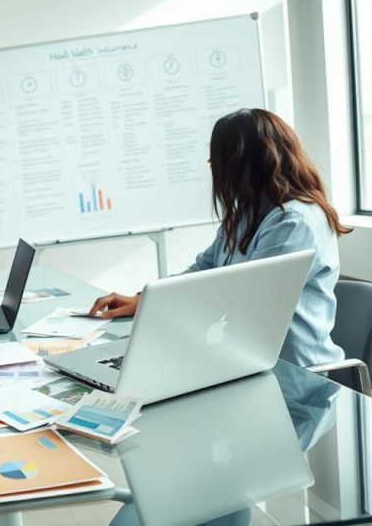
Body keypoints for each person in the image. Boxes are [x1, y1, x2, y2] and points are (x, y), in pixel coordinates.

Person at [89, 108, 349, 368]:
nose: (214, 170)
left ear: (240, 165)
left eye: (216, 162)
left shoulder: (294, 221)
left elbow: (248, 305)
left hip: (297, 374)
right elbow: (204, 270)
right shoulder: (246, 213)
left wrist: (163, 315)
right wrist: (144, 299)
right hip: (244, 358)